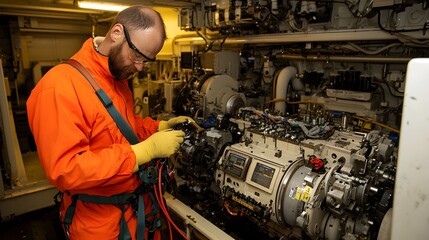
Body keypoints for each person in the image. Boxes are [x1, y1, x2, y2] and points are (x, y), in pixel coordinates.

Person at [26, 5, 192, 240]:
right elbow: (66, 169)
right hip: (100, 225)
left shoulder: (116, 76)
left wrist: (157, 128)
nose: (139, 67)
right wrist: (142, 152)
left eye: (147, 61)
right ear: (116, 33)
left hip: (138, 215)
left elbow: (120, 126)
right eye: (137, 56)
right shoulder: (60, 86)